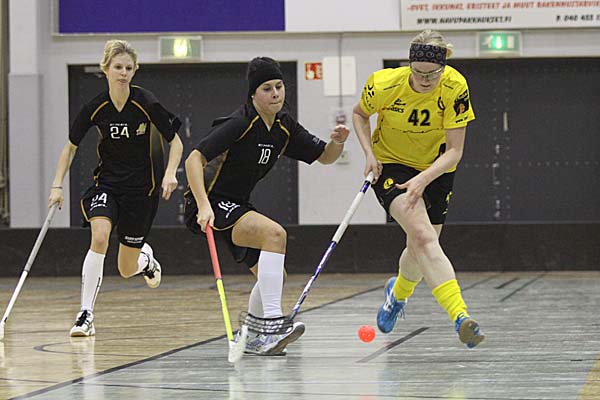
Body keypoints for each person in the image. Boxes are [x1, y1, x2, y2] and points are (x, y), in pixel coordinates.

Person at [184, 57, 349, 355]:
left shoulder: (284, 126)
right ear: (253, 93)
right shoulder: (240, 123)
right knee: (274, 234)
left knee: (274, 276)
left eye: (279, 86)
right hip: (210, 203)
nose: (275, 94)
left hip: (237, 205)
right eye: (267, 88)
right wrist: (203, 205)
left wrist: (337, 143)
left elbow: (325, 157)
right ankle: (273, 325)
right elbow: (194, 159)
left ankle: (252, 337)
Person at [352, 30, 485, 348]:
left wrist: (424, 178)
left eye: (432, 74)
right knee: (424, 237)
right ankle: (461, 317)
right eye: (419, 73)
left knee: (420, 245)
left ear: (443, 67)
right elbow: (359, 114)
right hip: (391, 166)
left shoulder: (455, 87)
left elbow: (455, 151)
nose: (425, 80)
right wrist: (369, 153)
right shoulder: (383, 84)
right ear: (409, 65)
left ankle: (396, 294)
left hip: (437, 167)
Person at [48, 40, 183, 337]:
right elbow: (70, 147)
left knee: (125, 269)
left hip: (141, 192)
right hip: (107, 185)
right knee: (99, 237)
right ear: (106, 69)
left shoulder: (146, 103)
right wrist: (57, 185)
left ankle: (146, 261)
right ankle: (85, 314)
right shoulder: (95, 108)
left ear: (134, 71)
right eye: (118, 67)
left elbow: (176, 142)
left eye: (128, 68)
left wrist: (170, 172)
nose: (123, 73)